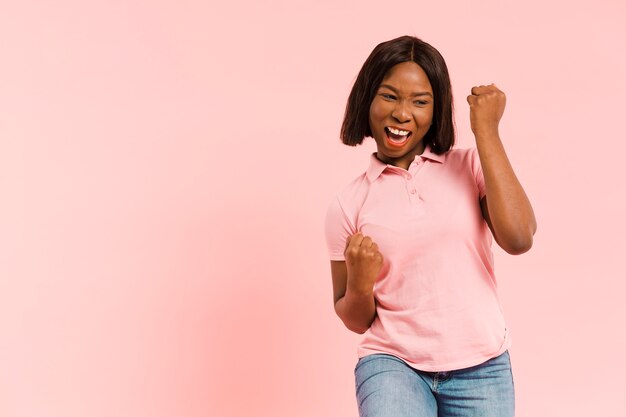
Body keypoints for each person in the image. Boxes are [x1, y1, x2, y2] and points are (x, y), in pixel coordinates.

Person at [324, 35, 537, 417]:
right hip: (393, 363)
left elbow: (519, 238)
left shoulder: (470, 167)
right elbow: (355, 320)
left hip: (482, 365)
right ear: (367, 99)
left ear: (436, 109)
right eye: (389, 96)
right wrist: (360, 283)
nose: (402, 114)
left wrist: (486, 131)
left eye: (420, 101)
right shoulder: (349, 202)